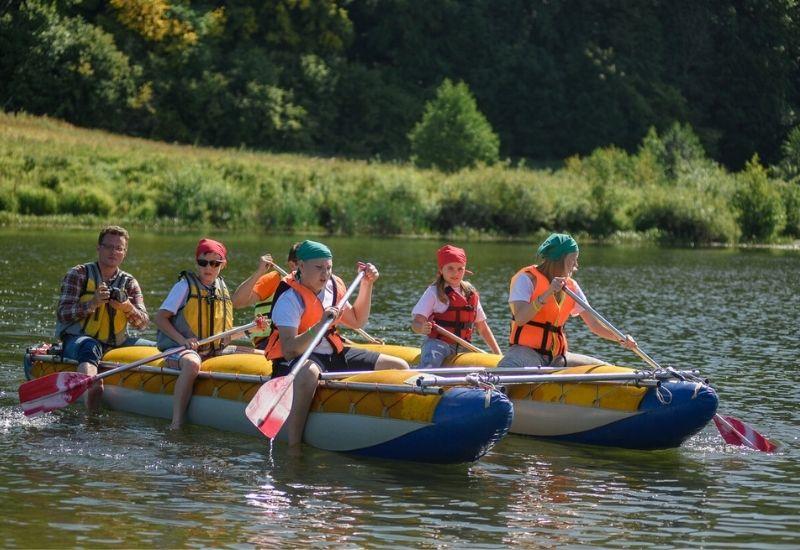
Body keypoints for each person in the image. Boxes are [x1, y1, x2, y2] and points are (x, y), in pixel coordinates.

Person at [265, 240, 409, 449]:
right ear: (301, 266)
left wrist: (367, 285)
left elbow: (357, 320)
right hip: (300, 358)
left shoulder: (333, 286)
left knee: (399, 366)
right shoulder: (289, 298)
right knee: (309, 374)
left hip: (333, 354)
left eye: (329, 267)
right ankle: (293, 444)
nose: (325, 274)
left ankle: (392, 424)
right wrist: (320, 324)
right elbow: (289, 350)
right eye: (319, 268)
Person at [497, 233, 637, 369]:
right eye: (573, 260)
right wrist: (548, 293)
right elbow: (520, 318)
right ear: (559, 260)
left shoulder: (572, 286)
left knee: (605, 368)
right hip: (526, 353)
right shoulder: (527, 279)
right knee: (505, 371)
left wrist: (620, 338)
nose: (576, 265)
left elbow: (594, 324)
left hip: (558, 357)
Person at [55, 225, 154, 411]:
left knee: (156, 349)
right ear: (98, 248)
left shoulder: (129, 282)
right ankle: (92, 389)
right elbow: (63, 313)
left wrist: (127, 307)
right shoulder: (78, 274)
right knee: (90, 346)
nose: (113, 252)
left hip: (117, 342)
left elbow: (143, 323)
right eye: (108, 246)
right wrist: (92, 303)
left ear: (125, 253)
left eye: (119, 248)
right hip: (79, 340)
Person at [155, 238, 233, 429]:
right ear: (196, 262)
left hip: (211, 349)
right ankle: (177, 422)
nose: (209, 267)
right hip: (179, 348)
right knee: (191, 363)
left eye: (215, 263)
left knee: (259, 354)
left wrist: (251, 329)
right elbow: (160, 318)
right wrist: (183, 340)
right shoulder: (184, 287)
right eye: (203, 262)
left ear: (223, 265)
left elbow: (224, 332)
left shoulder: (222, 289)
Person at [411, 244, 501, 367]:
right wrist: (421, 328)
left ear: (465, 270)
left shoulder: (470, 293)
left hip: (464, 347)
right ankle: (422, 380)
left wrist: (498, 354)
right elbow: (416, 323)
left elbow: (483, 328)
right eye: (450, 268)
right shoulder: (434, 292)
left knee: (478, 368)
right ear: (441, 270)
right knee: (432, 359)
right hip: (438, 344)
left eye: (460, 269)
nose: (456, 273)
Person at [231, 243, 300, 349]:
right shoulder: (274, 279)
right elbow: (237, 302)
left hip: (299, 341)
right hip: (268, 342)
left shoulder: (319, 288)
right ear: (292, 265)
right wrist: (259, 272)